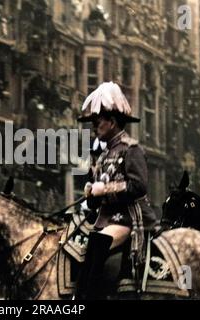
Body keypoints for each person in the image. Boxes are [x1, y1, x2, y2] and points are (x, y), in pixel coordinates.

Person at [75, 82, 157, 300]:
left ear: (111, 122)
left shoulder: (132, 149)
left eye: (98, 121)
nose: (94, 126)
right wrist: (91, 194)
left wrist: (105, 189)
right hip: (106, 219)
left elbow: (139, 187)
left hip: (128, 218)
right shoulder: (102, 154)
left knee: (97, 244)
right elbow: (97, 201)